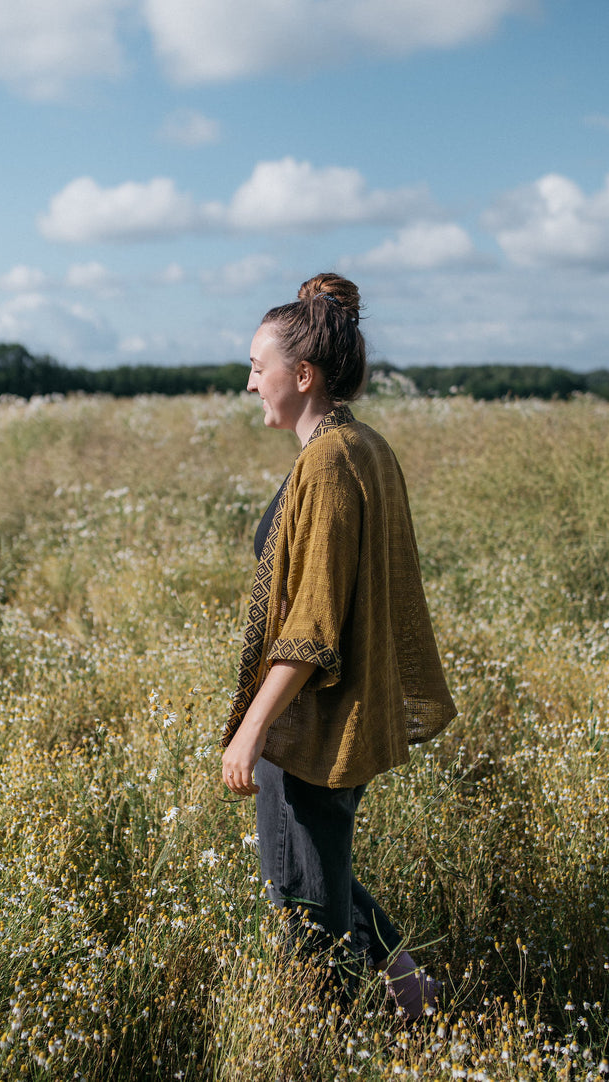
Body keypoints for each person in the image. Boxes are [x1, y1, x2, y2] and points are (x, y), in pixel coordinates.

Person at [221, 272, 457, 1020]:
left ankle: (329, 1031)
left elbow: (313, 627)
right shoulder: (363, 445)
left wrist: (252, 729)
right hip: (343, 714)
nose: (250, 383)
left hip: (312, 727)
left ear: (302, 375)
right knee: (324, 869)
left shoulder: (327, 462)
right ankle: (413, 994)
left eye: (257, 367)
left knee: (304, 902)